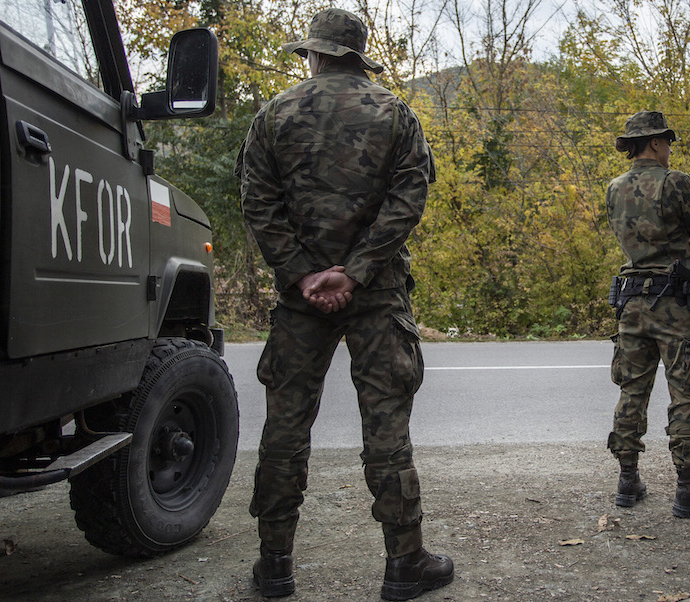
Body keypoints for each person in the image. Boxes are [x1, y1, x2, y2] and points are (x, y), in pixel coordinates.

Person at [235, 8, 453, 600]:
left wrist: (305, 274)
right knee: (386, 425)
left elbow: (258, 202)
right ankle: (403, 563)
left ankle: (275, 566)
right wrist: (355, 273)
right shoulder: (394, 113)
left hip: (300, 299)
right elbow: (410, 198)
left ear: (315, 54)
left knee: (286, 426)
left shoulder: (274, 115)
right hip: (377, 293)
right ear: (356, 55)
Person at [605, 110, 690, 518]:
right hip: (675, 303)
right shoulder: (674, 182)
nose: (670, 149)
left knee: (632, 390)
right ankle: (687, 491)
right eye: (667, 142)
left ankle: (627, 481)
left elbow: (629, 237)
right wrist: (685, 237)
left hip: (631, 302)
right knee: (687, 393)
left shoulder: (614, 189)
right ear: (655, 142)